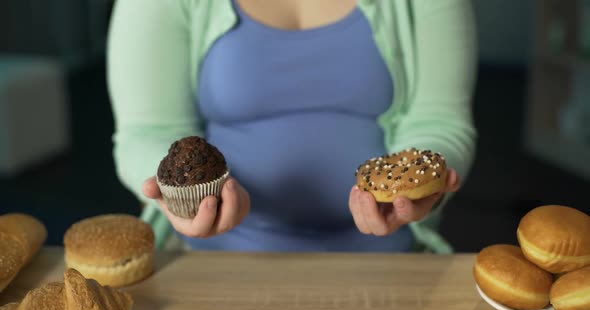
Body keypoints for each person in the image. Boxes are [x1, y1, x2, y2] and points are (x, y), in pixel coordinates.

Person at [107, 0, 477, 253]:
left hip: (384, 258)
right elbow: (147, 132)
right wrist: (179, 197)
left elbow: (438, 119)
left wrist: (413, 193)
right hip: (216, 262)